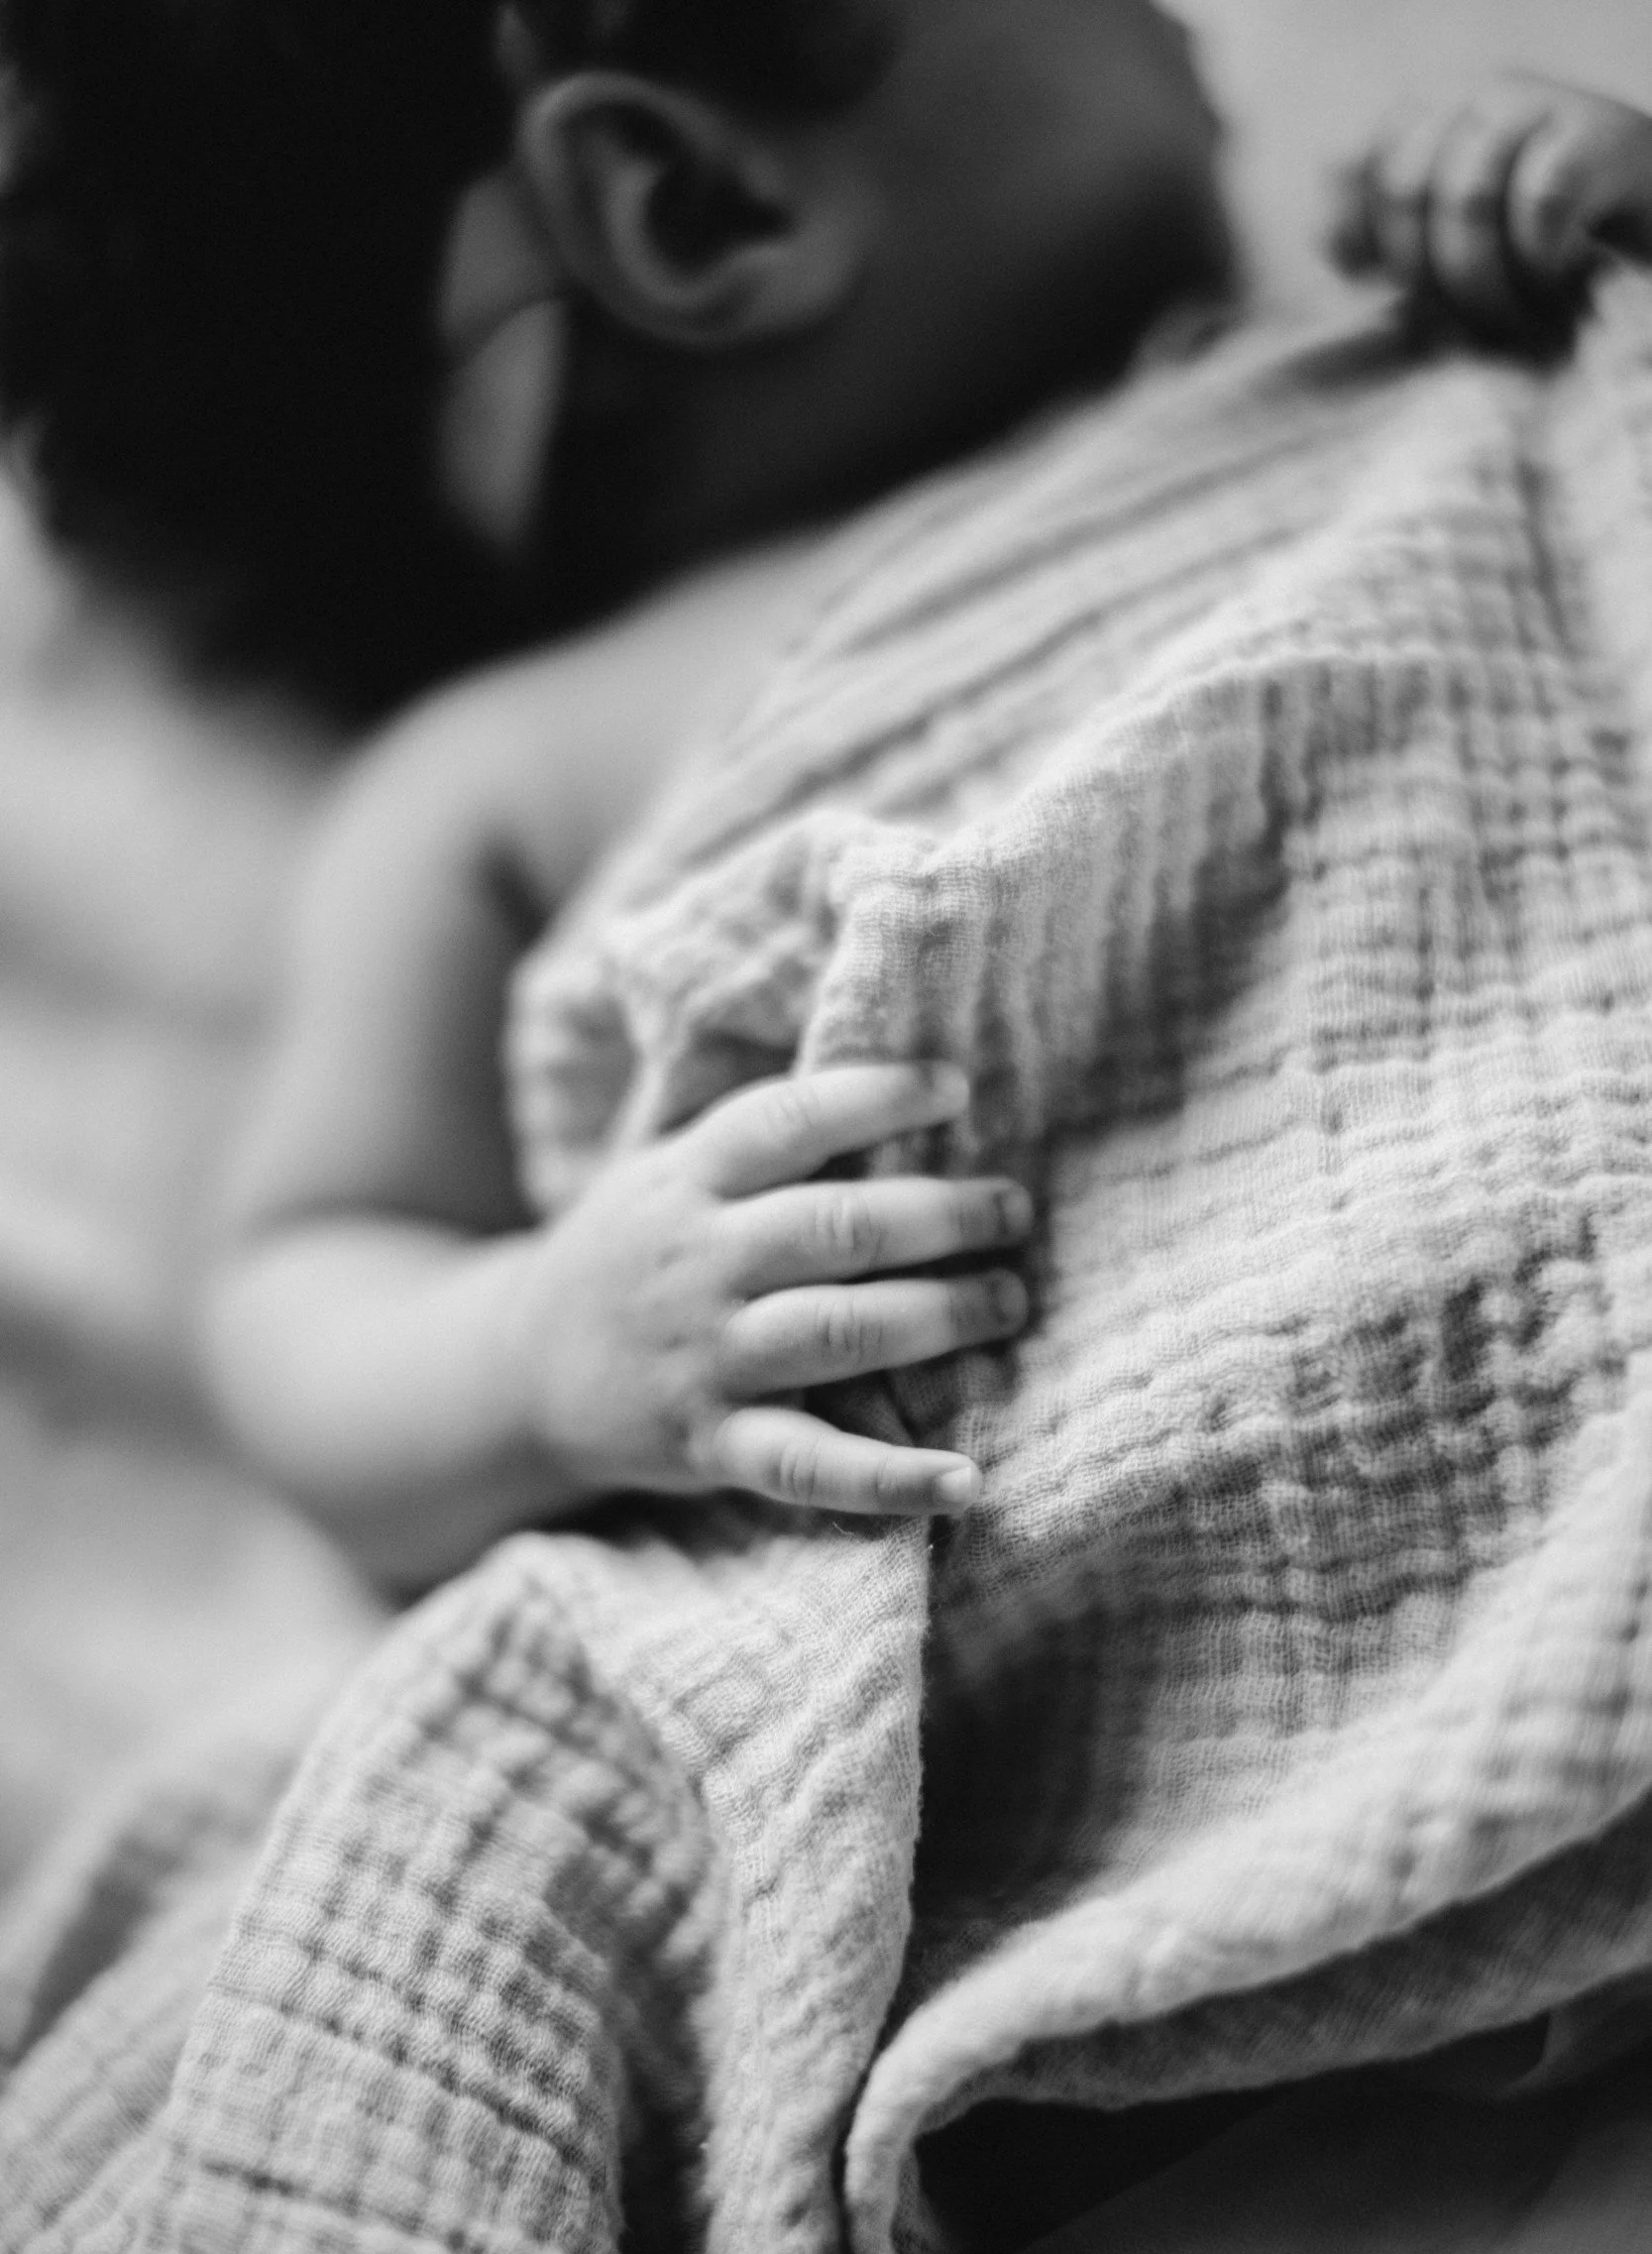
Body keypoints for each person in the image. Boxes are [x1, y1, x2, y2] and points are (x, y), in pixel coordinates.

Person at [4, 6, 1651, 1597]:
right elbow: (302, 1288)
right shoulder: (507, 767)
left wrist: (1610, 219)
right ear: (700, 204)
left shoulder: (1346, 339)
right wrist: (539, 1347)